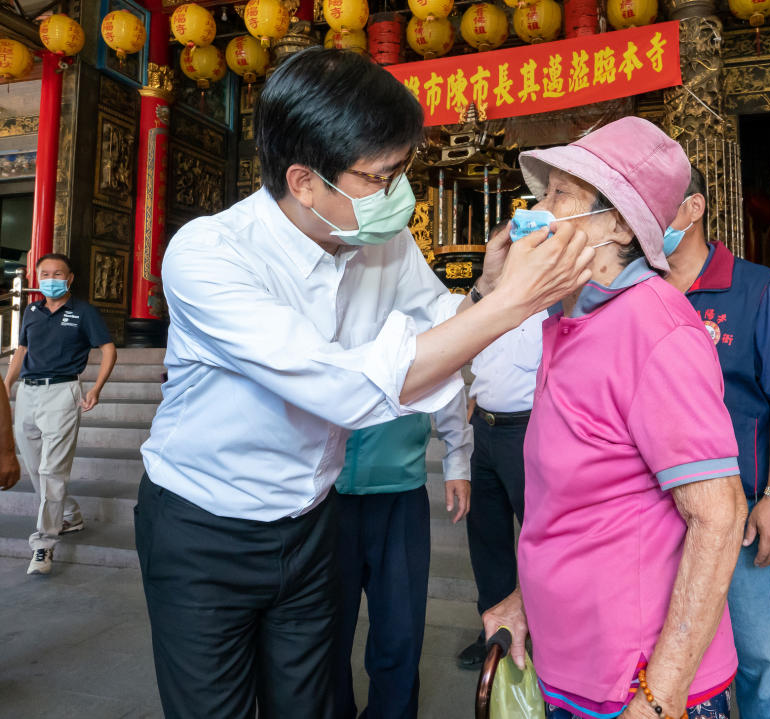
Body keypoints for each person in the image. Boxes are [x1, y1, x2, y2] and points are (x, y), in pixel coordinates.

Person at [135, 48, 593, 719]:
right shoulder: (210, 256)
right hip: (205, 528)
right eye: (381, 176)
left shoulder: (381, 236)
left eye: (400, 170)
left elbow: (439, 322)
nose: (399, 193)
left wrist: (488, 288)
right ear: (305, 180)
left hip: (310, 521)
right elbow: (343, 389)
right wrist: (513, 304)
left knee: (310, 703)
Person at [483, 117, 748, 719]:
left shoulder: (654, 327)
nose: (538, 210)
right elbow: (576, 503)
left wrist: (660, 697)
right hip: (570, 666)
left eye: (559, 196)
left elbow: (719, 515)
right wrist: (526, 599)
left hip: (634, 686)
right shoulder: (570, 319)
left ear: (620, 226)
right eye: (542, 192)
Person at [663, 166, 770, 719]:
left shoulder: (752, 288)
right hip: (660, 511)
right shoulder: (640, 290)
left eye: (660, 203)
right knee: (669, 661)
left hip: (740, 511)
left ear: (694, 208)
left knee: (757, 659)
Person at [333, 389, 471, 719]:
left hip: (401, 492)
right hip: (327, 494)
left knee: (399, 630)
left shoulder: (418, 332)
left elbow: (447, 380)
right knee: (324, 631)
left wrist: (457, 463)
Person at [458, 222, 548, 668]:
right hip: (486, 431)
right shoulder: (488, 303)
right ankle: (494, 630)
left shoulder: (551, 302)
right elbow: (474, 362)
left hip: (528, 432)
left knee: (539, 535)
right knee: (487, 537)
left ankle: (548, 632)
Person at [4, 253, 116, 576]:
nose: (50, 278)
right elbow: (21, 350)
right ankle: (70, 513)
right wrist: (7, 385)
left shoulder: (83, 312)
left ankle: (43, 544)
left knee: (52, 470)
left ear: (69, 279)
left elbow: (108, 349)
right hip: (28, 392)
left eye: (57, 274)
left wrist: (96, 388)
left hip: (63, 392)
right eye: (44, 273)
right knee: (37, 469)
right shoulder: (32, 311)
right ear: (36, 276)